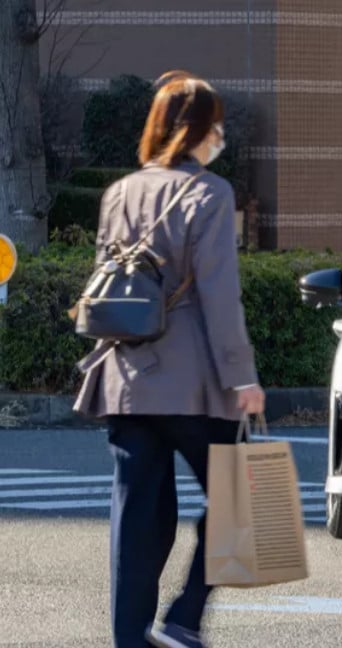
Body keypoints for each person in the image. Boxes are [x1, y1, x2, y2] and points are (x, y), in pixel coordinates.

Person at [72, 71, 266, 647]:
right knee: (239, 499)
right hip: (195, 386)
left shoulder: (118, 194)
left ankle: (129, 639)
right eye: (217, 126)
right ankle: (183, 617)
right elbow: (218, 297)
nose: (220, 136)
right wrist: (244, 378)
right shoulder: (210, 195)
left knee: (137, 519)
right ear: (199, 131)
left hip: (126, 380)